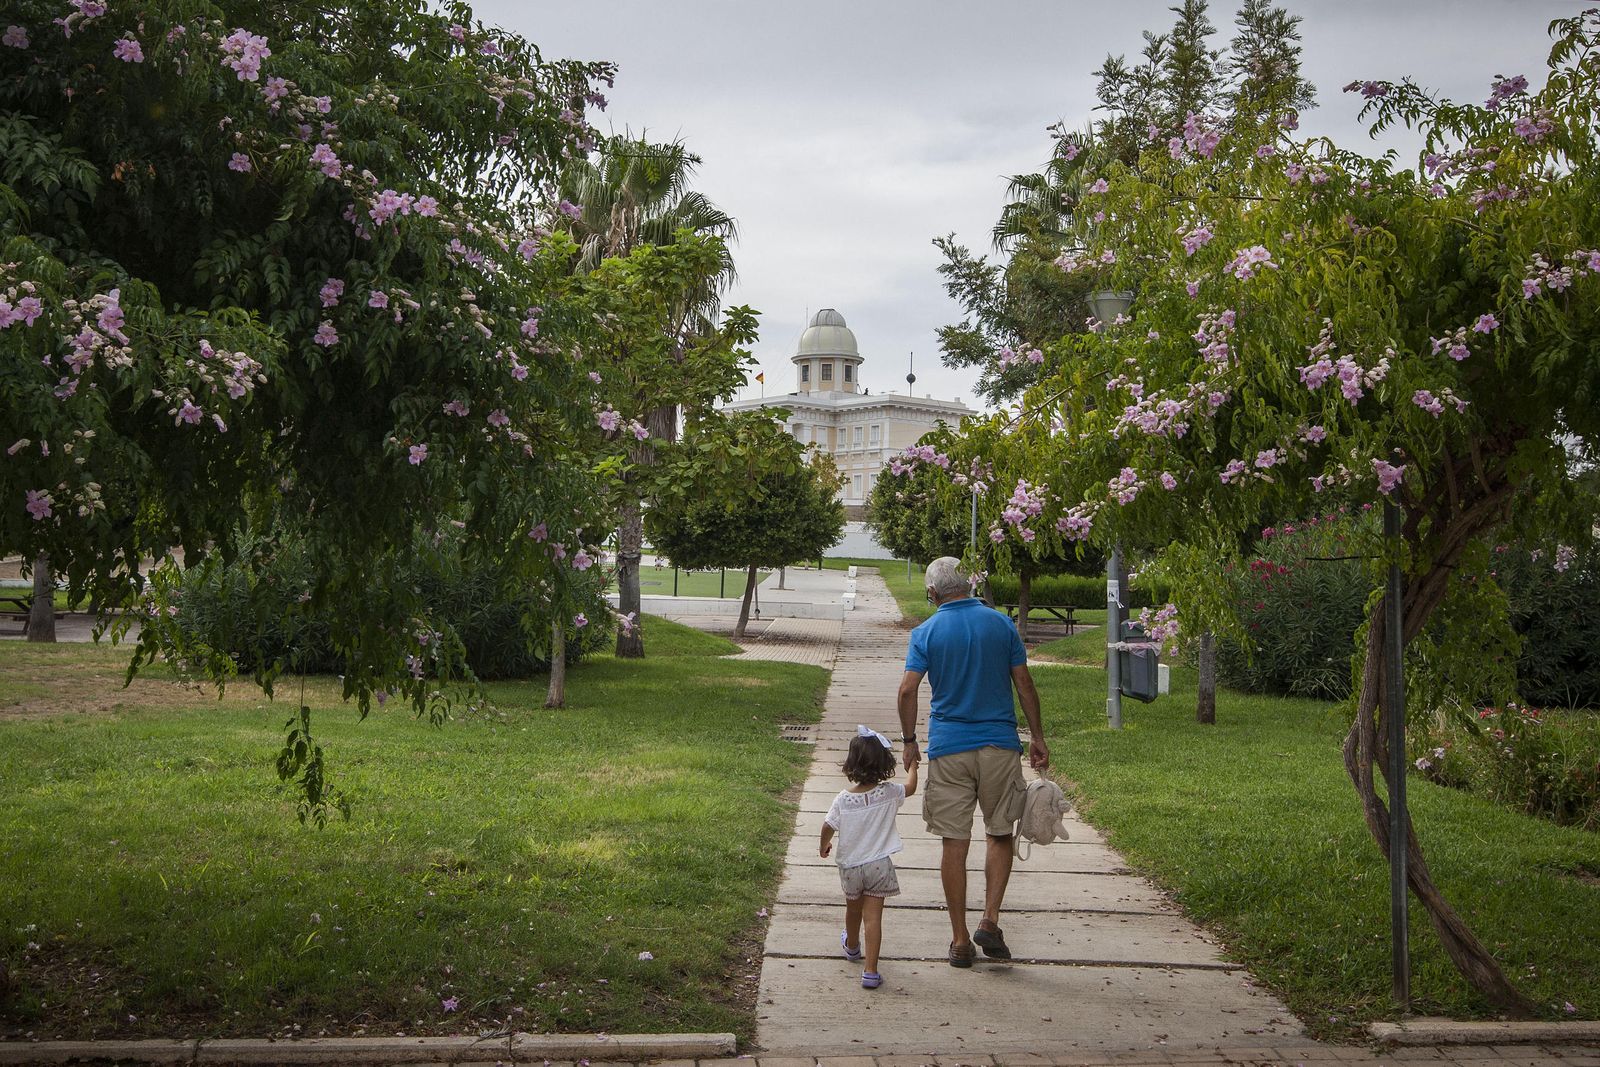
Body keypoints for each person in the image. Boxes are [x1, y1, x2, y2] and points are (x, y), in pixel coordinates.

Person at [897, 556, 1048, 968]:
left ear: (932, 593)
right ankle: (990, 919)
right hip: (1000, 745)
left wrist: (910, 741)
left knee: (954, 842)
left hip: (949, 748)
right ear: (969, 584)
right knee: (999, 833)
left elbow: (908, 690)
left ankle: (960, 940)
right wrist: (1036, 736)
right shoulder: (1001, 624)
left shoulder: (925, 632)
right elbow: (1023, 683)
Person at [820, 725, 920, 989]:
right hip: (879, 865)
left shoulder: (842, 800)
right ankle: (871, 972)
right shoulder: (888, 793)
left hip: (851, 868)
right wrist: (913, 766)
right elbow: (910, 787)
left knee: (853, 910)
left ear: (851, 764)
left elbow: (827, 826)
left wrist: (824, 845)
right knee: (873, 919)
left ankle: (852, 946)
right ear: (885, 763)